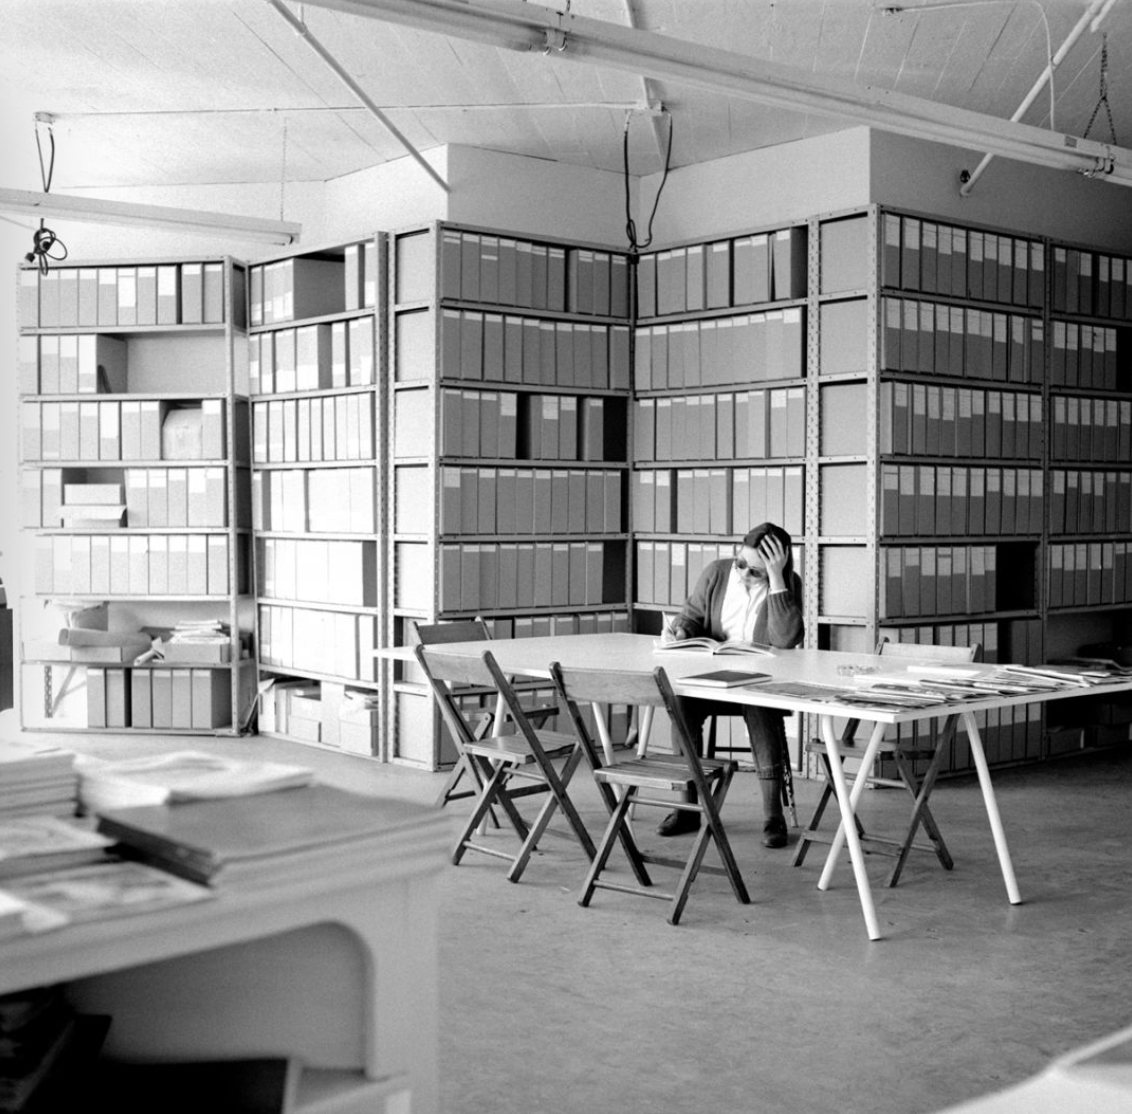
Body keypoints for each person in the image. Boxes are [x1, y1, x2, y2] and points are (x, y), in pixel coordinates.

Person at [658, 522, 804, 848]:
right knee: (680, 704)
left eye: (755, 571)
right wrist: (681, 631)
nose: (743, 575)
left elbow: (786, 637)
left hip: (757, 684)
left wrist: (777, 579)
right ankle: (687, 807)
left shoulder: (786, 585)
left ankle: (772, 816)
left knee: (759, 703)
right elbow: (692, 616)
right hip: (710, 679)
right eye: (740, 564)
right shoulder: (717, 573)